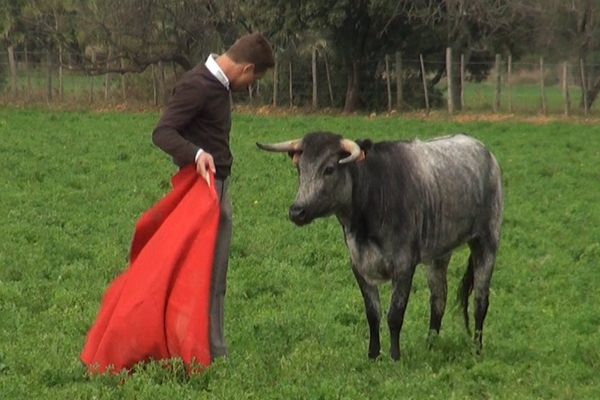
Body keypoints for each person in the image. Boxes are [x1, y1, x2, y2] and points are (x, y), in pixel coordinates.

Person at [152, 32, 275, 360]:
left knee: (214, 275)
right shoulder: (197, 85)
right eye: (254, 79)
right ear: (246, 68)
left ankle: (204, 348)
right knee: (206, 275)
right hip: (201, 191)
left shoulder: (218, 87)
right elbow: (162, 132)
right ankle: (207, 353)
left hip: (217, 187)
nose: (251, 86)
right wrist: (195, 154)